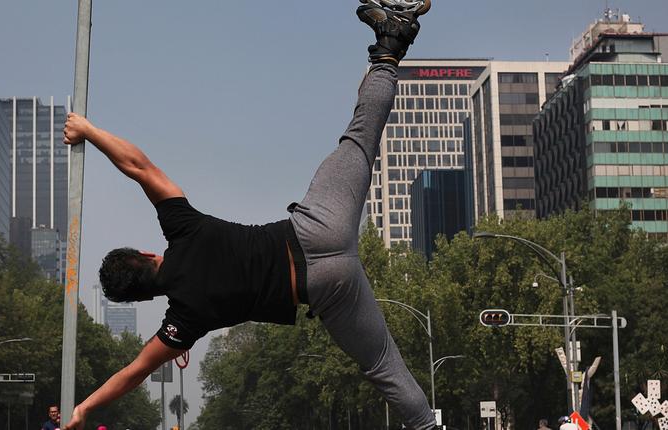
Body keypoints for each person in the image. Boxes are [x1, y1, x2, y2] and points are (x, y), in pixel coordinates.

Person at [62, 1, 434, 429]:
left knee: (383, 364)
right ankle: (390, 43)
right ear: (147, 254)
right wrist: (87, 131)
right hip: (316, 227)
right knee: (360, 137)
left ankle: (428, 426)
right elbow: (139, 168)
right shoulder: (182, 230)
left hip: (326, 290)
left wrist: (84, 409)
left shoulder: (182, 321)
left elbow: (132, 373)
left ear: (143, 298)